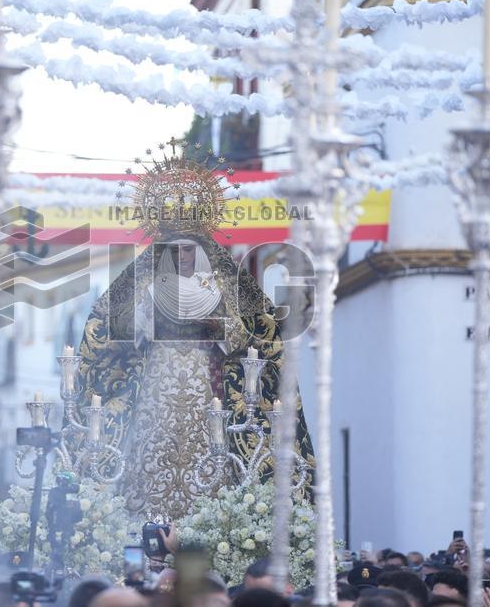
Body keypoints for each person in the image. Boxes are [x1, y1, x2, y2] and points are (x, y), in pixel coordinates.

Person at [75, 150, 314, 520]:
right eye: (175, 249)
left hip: (209, 386)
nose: (182, 256)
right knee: (152, 454)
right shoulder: (141, 282)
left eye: (189, 249)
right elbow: (107, 331)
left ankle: (212, 526)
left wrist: (220, 326)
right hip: (157, 385)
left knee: (212, 458)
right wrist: (142, 323)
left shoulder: (227, 283)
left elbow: (261, 332)